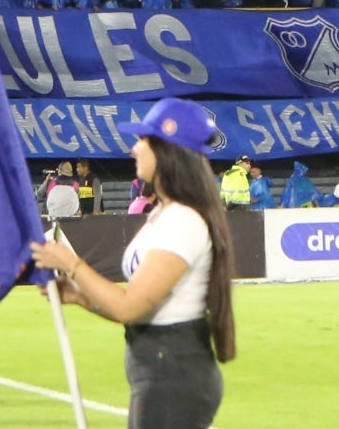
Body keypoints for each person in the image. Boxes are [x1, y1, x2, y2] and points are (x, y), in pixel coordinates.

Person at [29, 97, 235, 429]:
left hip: (173, 375)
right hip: (163, 368)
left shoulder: (182, 220)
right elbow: (142, 314)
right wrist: (81, 297)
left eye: (143, 140)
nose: (134, 149)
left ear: (167, 149)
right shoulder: (165, 214)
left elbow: (131, 307)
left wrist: (72, 263)